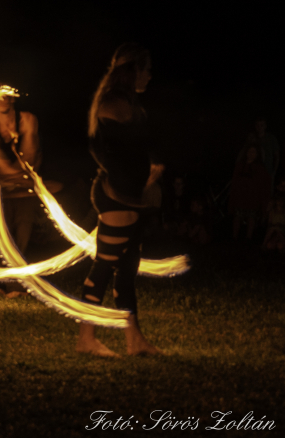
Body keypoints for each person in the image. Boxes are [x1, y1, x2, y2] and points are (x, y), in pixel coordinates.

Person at [77, 43, 164, 357]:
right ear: (133, 70)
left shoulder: (125, 101)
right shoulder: (115, 103)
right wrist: (135, 178)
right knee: (105, 267)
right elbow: (113, 150)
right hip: (119, 197)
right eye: (147, 69)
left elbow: (136, 147)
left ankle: (135, 340)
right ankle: (86, 338)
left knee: (126, 269)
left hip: (132, 197)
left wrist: (150, 171)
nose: (150, 76)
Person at [0, 94, 61, 296]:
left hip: (23, 195)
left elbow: (30, 159)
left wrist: (20, 180)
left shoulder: (28, 120)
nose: (4, 99)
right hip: (3, 194)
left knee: (21, 242)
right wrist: (30, 182)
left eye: (8, 95)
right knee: (2, 240)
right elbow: (3, 167)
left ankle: (14, 287)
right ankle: (1, 284)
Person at [229, 144, 271, 241]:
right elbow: (235, 180)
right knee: (237, 216)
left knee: (251, 217)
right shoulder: (240, 165)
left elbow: (263, 184)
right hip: (240, 195)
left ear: (257, 154)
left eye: (253, 152)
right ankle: (234, 237)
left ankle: (249, 237)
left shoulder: (260, 168)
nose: (250, 154)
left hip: (252, 196)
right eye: (249, 152)